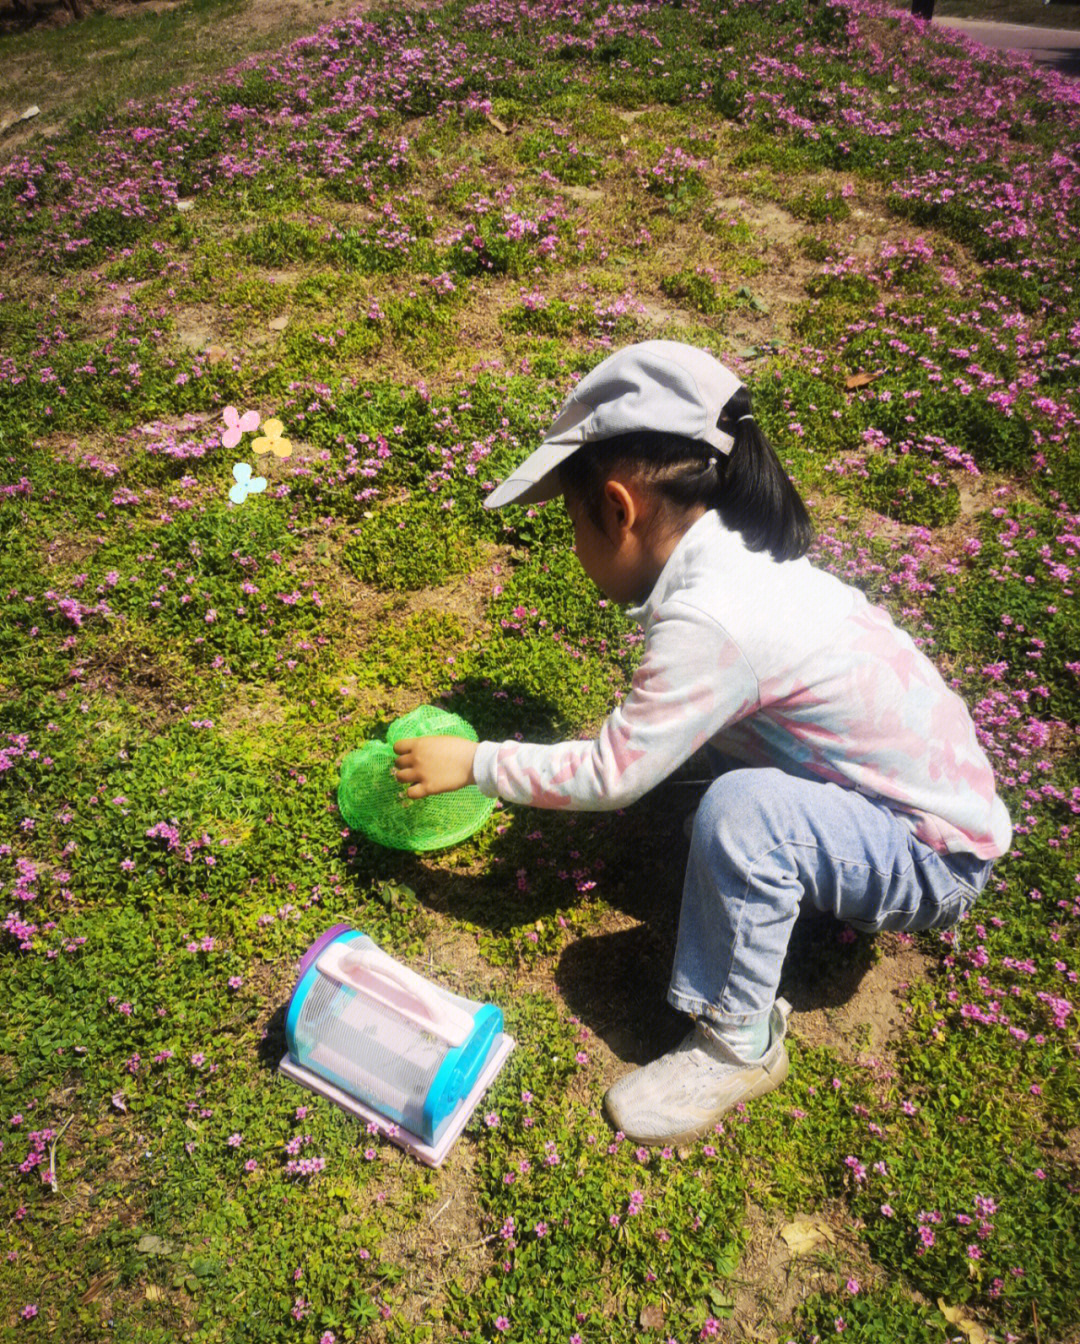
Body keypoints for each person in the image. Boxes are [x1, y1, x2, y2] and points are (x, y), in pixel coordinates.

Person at [392, 341, 1012, 1146]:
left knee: (743, 814)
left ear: (619, 509)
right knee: (724, 781)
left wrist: (474, 764)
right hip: (909, 804)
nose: (576, 549)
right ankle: (779, 873)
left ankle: (737, 1039)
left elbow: (611, 774)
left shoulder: (712, 618)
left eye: (574, 525)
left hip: (935, 857)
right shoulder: (742, 559)